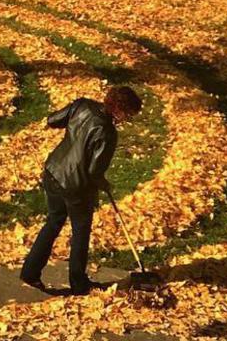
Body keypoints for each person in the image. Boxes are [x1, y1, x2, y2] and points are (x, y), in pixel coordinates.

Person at [20, 84, 143, 295]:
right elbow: (94, 172)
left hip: (53, 172)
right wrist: (103, 184)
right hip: (75, 186)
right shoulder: (107, 133)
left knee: (54, 221)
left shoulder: (82, 105)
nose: (128, 119)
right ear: (119, 109)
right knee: (81, 232)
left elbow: (52, 120)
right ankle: (78, 283)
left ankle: (30, 273)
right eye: (128, 114)